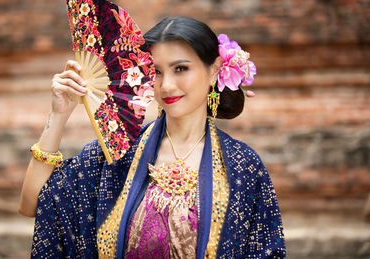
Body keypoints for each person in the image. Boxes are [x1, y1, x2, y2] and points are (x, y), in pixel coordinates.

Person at [19, 16, 286, 258]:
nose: (166, 85)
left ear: (214, 70)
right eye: (156, 71)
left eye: (180, 68)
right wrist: (59, 114)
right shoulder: (118, 153)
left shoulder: (242, 166)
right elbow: (33, 204)